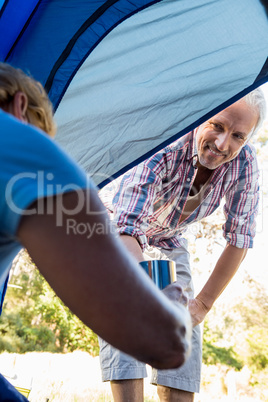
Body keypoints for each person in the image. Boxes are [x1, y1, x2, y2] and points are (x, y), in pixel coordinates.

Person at [0, 62, 192, 400]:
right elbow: (163, 343)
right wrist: (174, 309)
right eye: (42, 132)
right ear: (19, 107)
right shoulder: (20, 144)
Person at [98, 88, 266, 402]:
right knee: (126, 310)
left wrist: (200, 305)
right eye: (217, 126)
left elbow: (239, 238)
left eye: (238, 136)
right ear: (204, 115)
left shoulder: (244, 163)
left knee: (183, 335)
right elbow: (127, 225)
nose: (222, 144)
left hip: (168, 237)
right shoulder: (165, 140)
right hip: (115, 231)